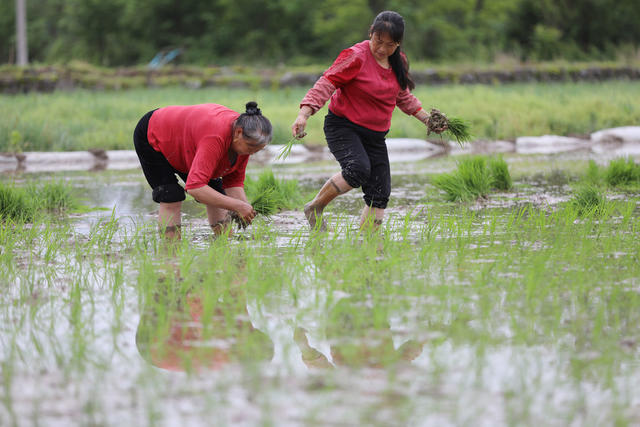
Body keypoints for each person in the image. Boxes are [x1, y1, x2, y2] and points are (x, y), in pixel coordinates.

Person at [291, 11, 446, 231]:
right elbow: (327, 82)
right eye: (378, 41)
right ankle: (315, 207)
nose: (382, 49)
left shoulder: (399, 62)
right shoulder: (355, 56)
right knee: (358, 169)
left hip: (375, 135)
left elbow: (402, 96)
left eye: (390, 45)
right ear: (370, 33)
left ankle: (368, 246)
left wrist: (428, 120)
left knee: (380, 192)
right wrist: (304, 114)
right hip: (343, 126)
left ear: (399, 43)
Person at [133, 101, 272, 238]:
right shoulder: (215, 136)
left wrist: (245, 208)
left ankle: (225, 245)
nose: (252, 153)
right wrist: (238, 206)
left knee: (215, 191)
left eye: (258, 150)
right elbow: (195, 188)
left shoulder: (243, 142)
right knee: (170, 195)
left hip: (189, 142)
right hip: (155, 134)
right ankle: (170, 254)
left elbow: (233, 183)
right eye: (251, 148)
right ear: (239, 132)